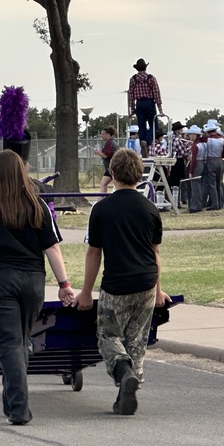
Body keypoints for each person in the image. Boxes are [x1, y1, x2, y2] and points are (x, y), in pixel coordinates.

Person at [0, 149, 75, 425]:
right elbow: (52, 248)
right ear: (21, 173)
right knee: (20, 341)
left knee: (9, 343)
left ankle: (19, 408)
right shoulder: (37, 205)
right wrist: (64, 284)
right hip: (32, 281)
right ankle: (11, 401)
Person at [74, 148, 170, 415]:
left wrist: (86, 292)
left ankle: (122, 370)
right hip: (147, 282)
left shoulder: (101, 209)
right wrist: (159, 290)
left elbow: (94, 253)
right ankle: (127, 389)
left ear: (112, 173)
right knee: (137, 340)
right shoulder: (150, 209)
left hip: (116, 284)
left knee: (108, 335)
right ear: (140, 175)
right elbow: (155, 252)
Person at [128, 58, 163, 157]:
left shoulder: (133, 79)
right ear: (145, 68)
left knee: (141, 126)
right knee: (154, 126)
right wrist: (160, 109)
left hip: (139, 103)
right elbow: (156, 93)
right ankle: (147, 143)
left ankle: (142, 141)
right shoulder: (151, 78)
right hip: (149, 102)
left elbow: (131, 95)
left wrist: (132, 108)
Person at [94, 126, 117, 191]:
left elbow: (106, 155)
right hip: (110, 168)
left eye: (103, 134)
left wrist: (98, 152)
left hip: (112, 168)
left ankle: (104, 197)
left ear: (108, 134)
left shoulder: (110, 143)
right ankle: (103, 196)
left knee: (116, 184)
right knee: (103, 183)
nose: (101, 136)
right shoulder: (111, 142)